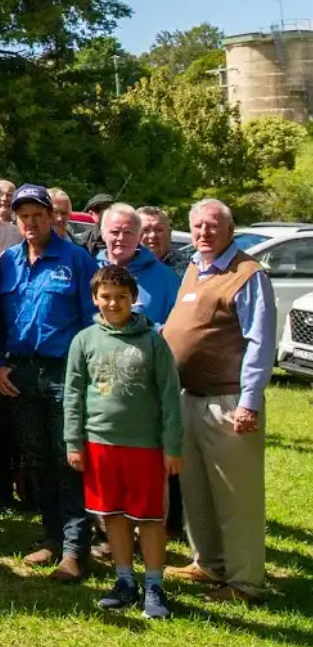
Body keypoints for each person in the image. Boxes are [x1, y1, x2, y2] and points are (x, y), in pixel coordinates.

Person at [161, 198, 274, 603]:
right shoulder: (194, 267)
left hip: (229, 400)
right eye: (197, 227)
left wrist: (249, 402)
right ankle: (208, 563)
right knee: (197, 490)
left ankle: (245, 582)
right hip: (189, 396)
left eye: (212, 226)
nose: (203, 233)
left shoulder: (246, 275)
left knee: (235, 495)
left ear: (230, 229)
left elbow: (260, 344)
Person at [64, 263, 183, 620]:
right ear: (94, 299)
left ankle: (154, 585)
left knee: (148, 518)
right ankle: (124, 580)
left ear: (134, 299)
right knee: (112, 515)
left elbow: (169, 397)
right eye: (106, 297)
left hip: (145, 446)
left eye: (121, 297)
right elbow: (72, 395)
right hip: (99, 444)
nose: (113, 304)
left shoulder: (153, 341)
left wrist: (172, 446)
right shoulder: (84, 340)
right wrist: (73, 442)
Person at [0, 183, 97, 580]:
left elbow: (92, 323)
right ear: (16, 221)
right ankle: (51, 537)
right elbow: (1, 320)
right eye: (24, 217)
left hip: (64, 372)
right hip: (21, 374)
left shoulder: (76, 260)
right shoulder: (9, 262)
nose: (31, 222)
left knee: (67, 459)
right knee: (36, 459)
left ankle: (75, 549)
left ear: (52, 216)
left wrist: (87, 373)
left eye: (38, 215)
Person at [97, 203, 179, 326]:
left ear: (139, 236)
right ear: (103, 234)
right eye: (115, 232)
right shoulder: (89, 269)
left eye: (128, 232)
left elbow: (177, 324)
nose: (121, 238)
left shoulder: (166, 277)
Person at [138, 206, 192, 274]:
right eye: (145, 230)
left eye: (159, 230)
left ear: (169, 233)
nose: (153, 235)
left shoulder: (190, 264)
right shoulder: (125, 265)